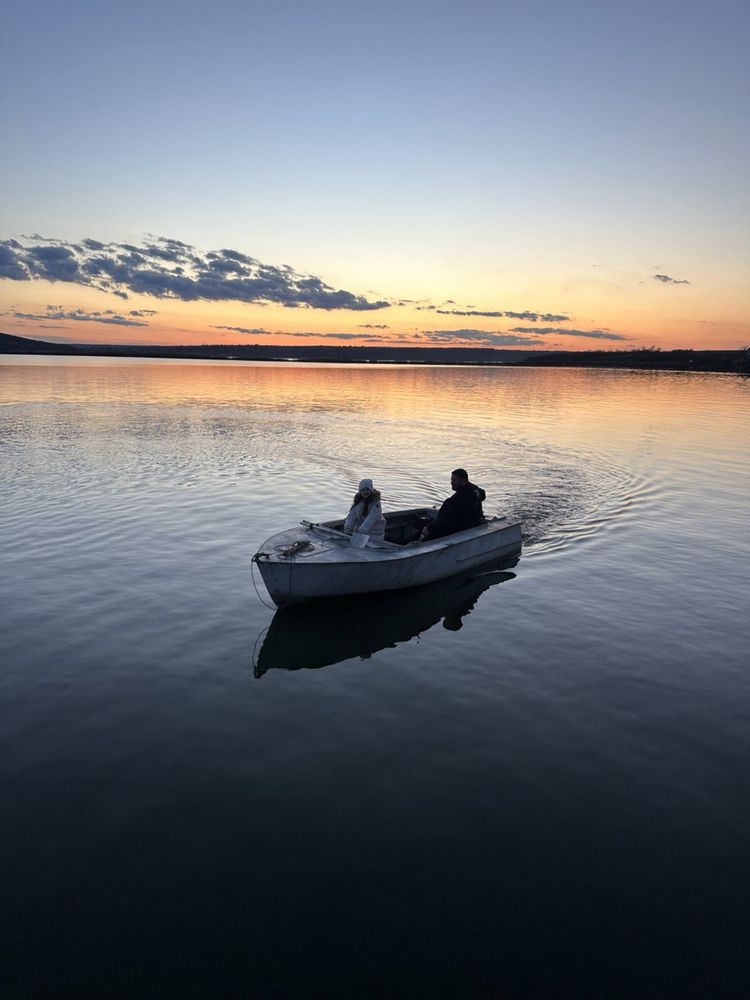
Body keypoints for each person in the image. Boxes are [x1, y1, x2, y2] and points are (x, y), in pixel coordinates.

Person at [420, 468, 486, 541]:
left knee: (421, 533)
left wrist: (428, 529)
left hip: (457, 530)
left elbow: (446, 519)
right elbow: (482, 493)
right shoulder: (475, 491)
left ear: (463, 481)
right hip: (470, 525)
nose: (451, 482)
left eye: (454, 480)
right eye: (451, 480)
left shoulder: (459, 500)